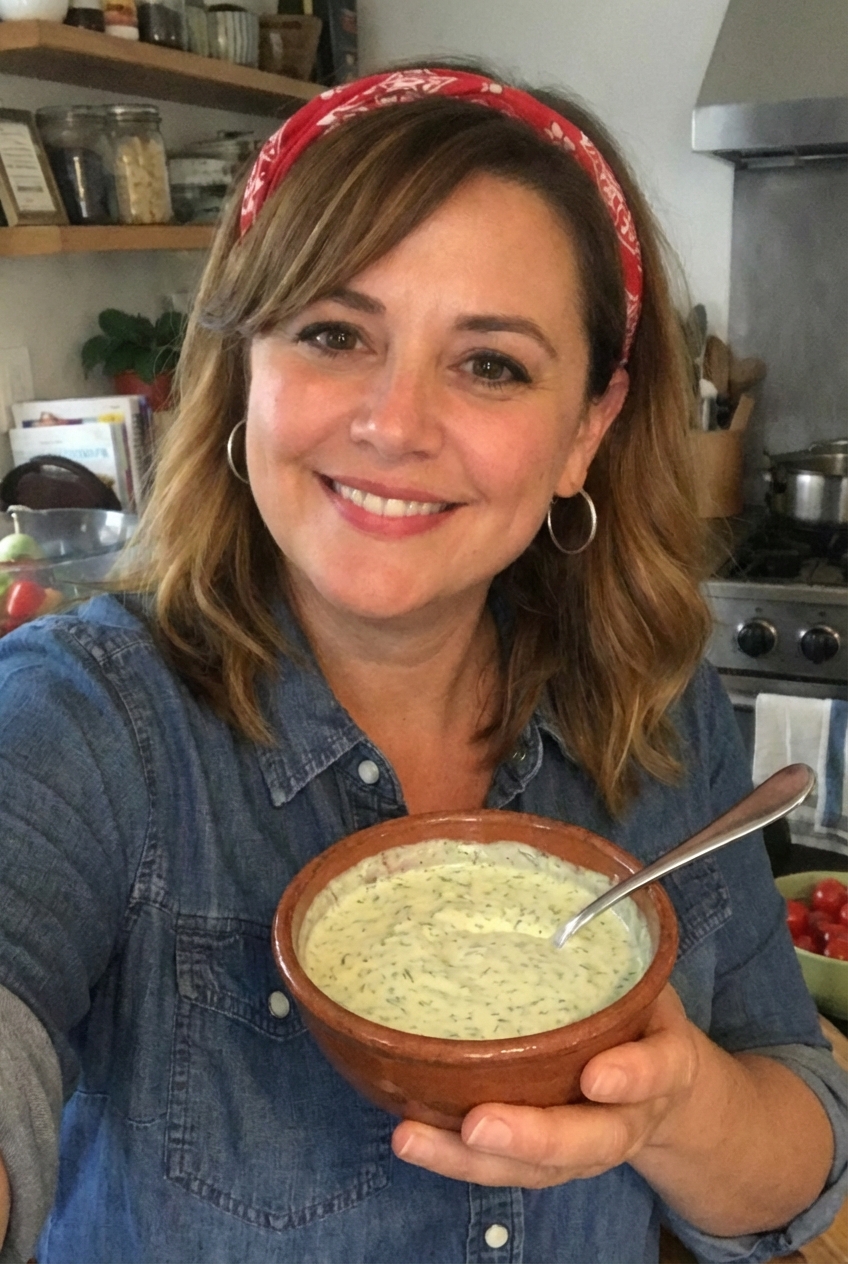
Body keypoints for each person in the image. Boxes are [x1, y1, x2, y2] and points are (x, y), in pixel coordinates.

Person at [0, 63, 844, 1264]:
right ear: (247, 368)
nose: (394, 425)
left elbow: (799, 1151)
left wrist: (673, 1103)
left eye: (489, 362)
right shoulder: (80, 721)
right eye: (334, 333)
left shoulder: (656, 712)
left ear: (585, 430)